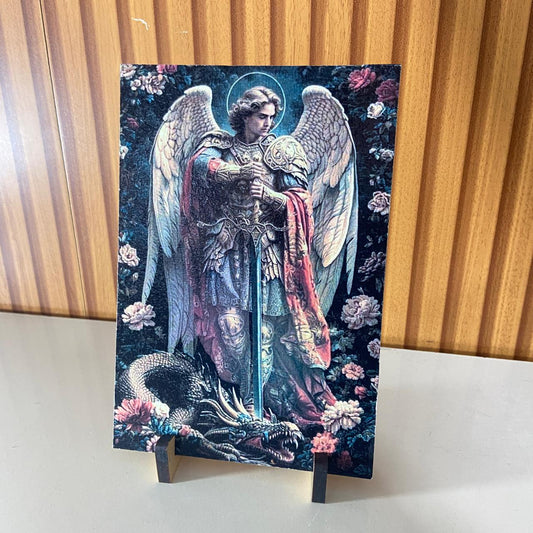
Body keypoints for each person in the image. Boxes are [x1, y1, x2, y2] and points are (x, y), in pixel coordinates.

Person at [181, 86, 336, 428]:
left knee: (263, 333)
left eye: (271, 117)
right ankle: (241, 392)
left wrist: (268, 195)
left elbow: (300, 203)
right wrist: (233, 172)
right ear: (244, 115)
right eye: (261, 116)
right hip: (226, 249)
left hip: (265, 252)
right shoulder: (220, 146)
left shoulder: (281, 152)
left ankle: (254, 403)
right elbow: (198, 166)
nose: (268, 123)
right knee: (231, 329)